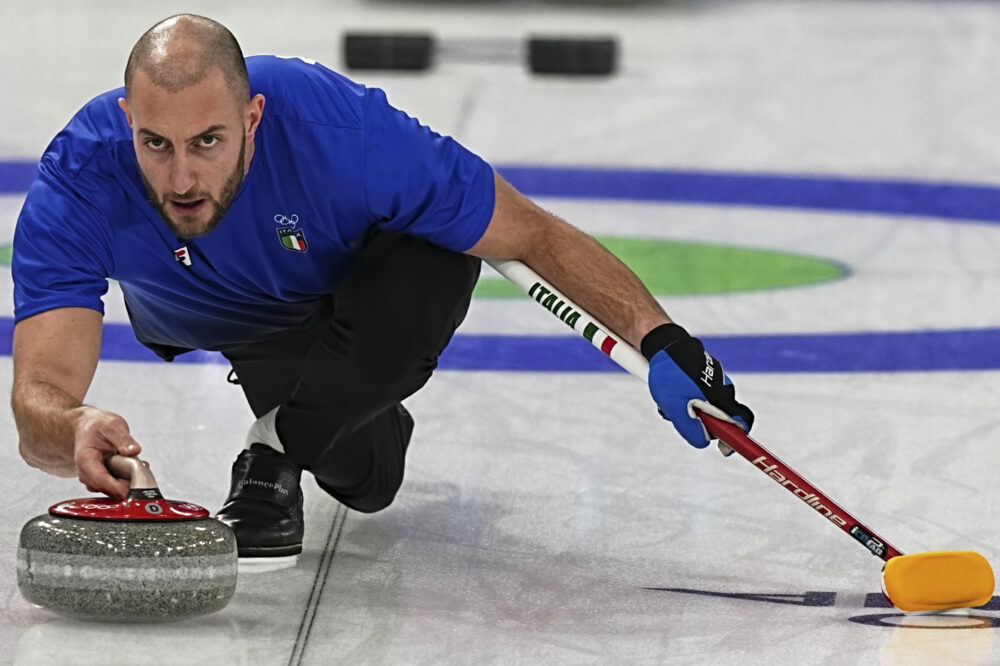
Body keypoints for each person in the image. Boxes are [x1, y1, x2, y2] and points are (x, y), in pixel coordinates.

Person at [10, 14, 753, 561]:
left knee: (438, 254)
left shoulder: (346, 136)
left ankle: (275, 444)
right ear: (126, 119)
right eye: (155, 144)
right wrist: (71, 427)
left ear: (252, 116)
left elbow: (531, 234)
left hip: (367, 282)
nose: (180, 179)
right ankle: (320, 411)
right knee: (368, 482)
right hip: (251, 325)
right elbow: (39, 395)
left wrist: (661, 338)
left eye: (208, 142)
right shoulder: (81, 177)